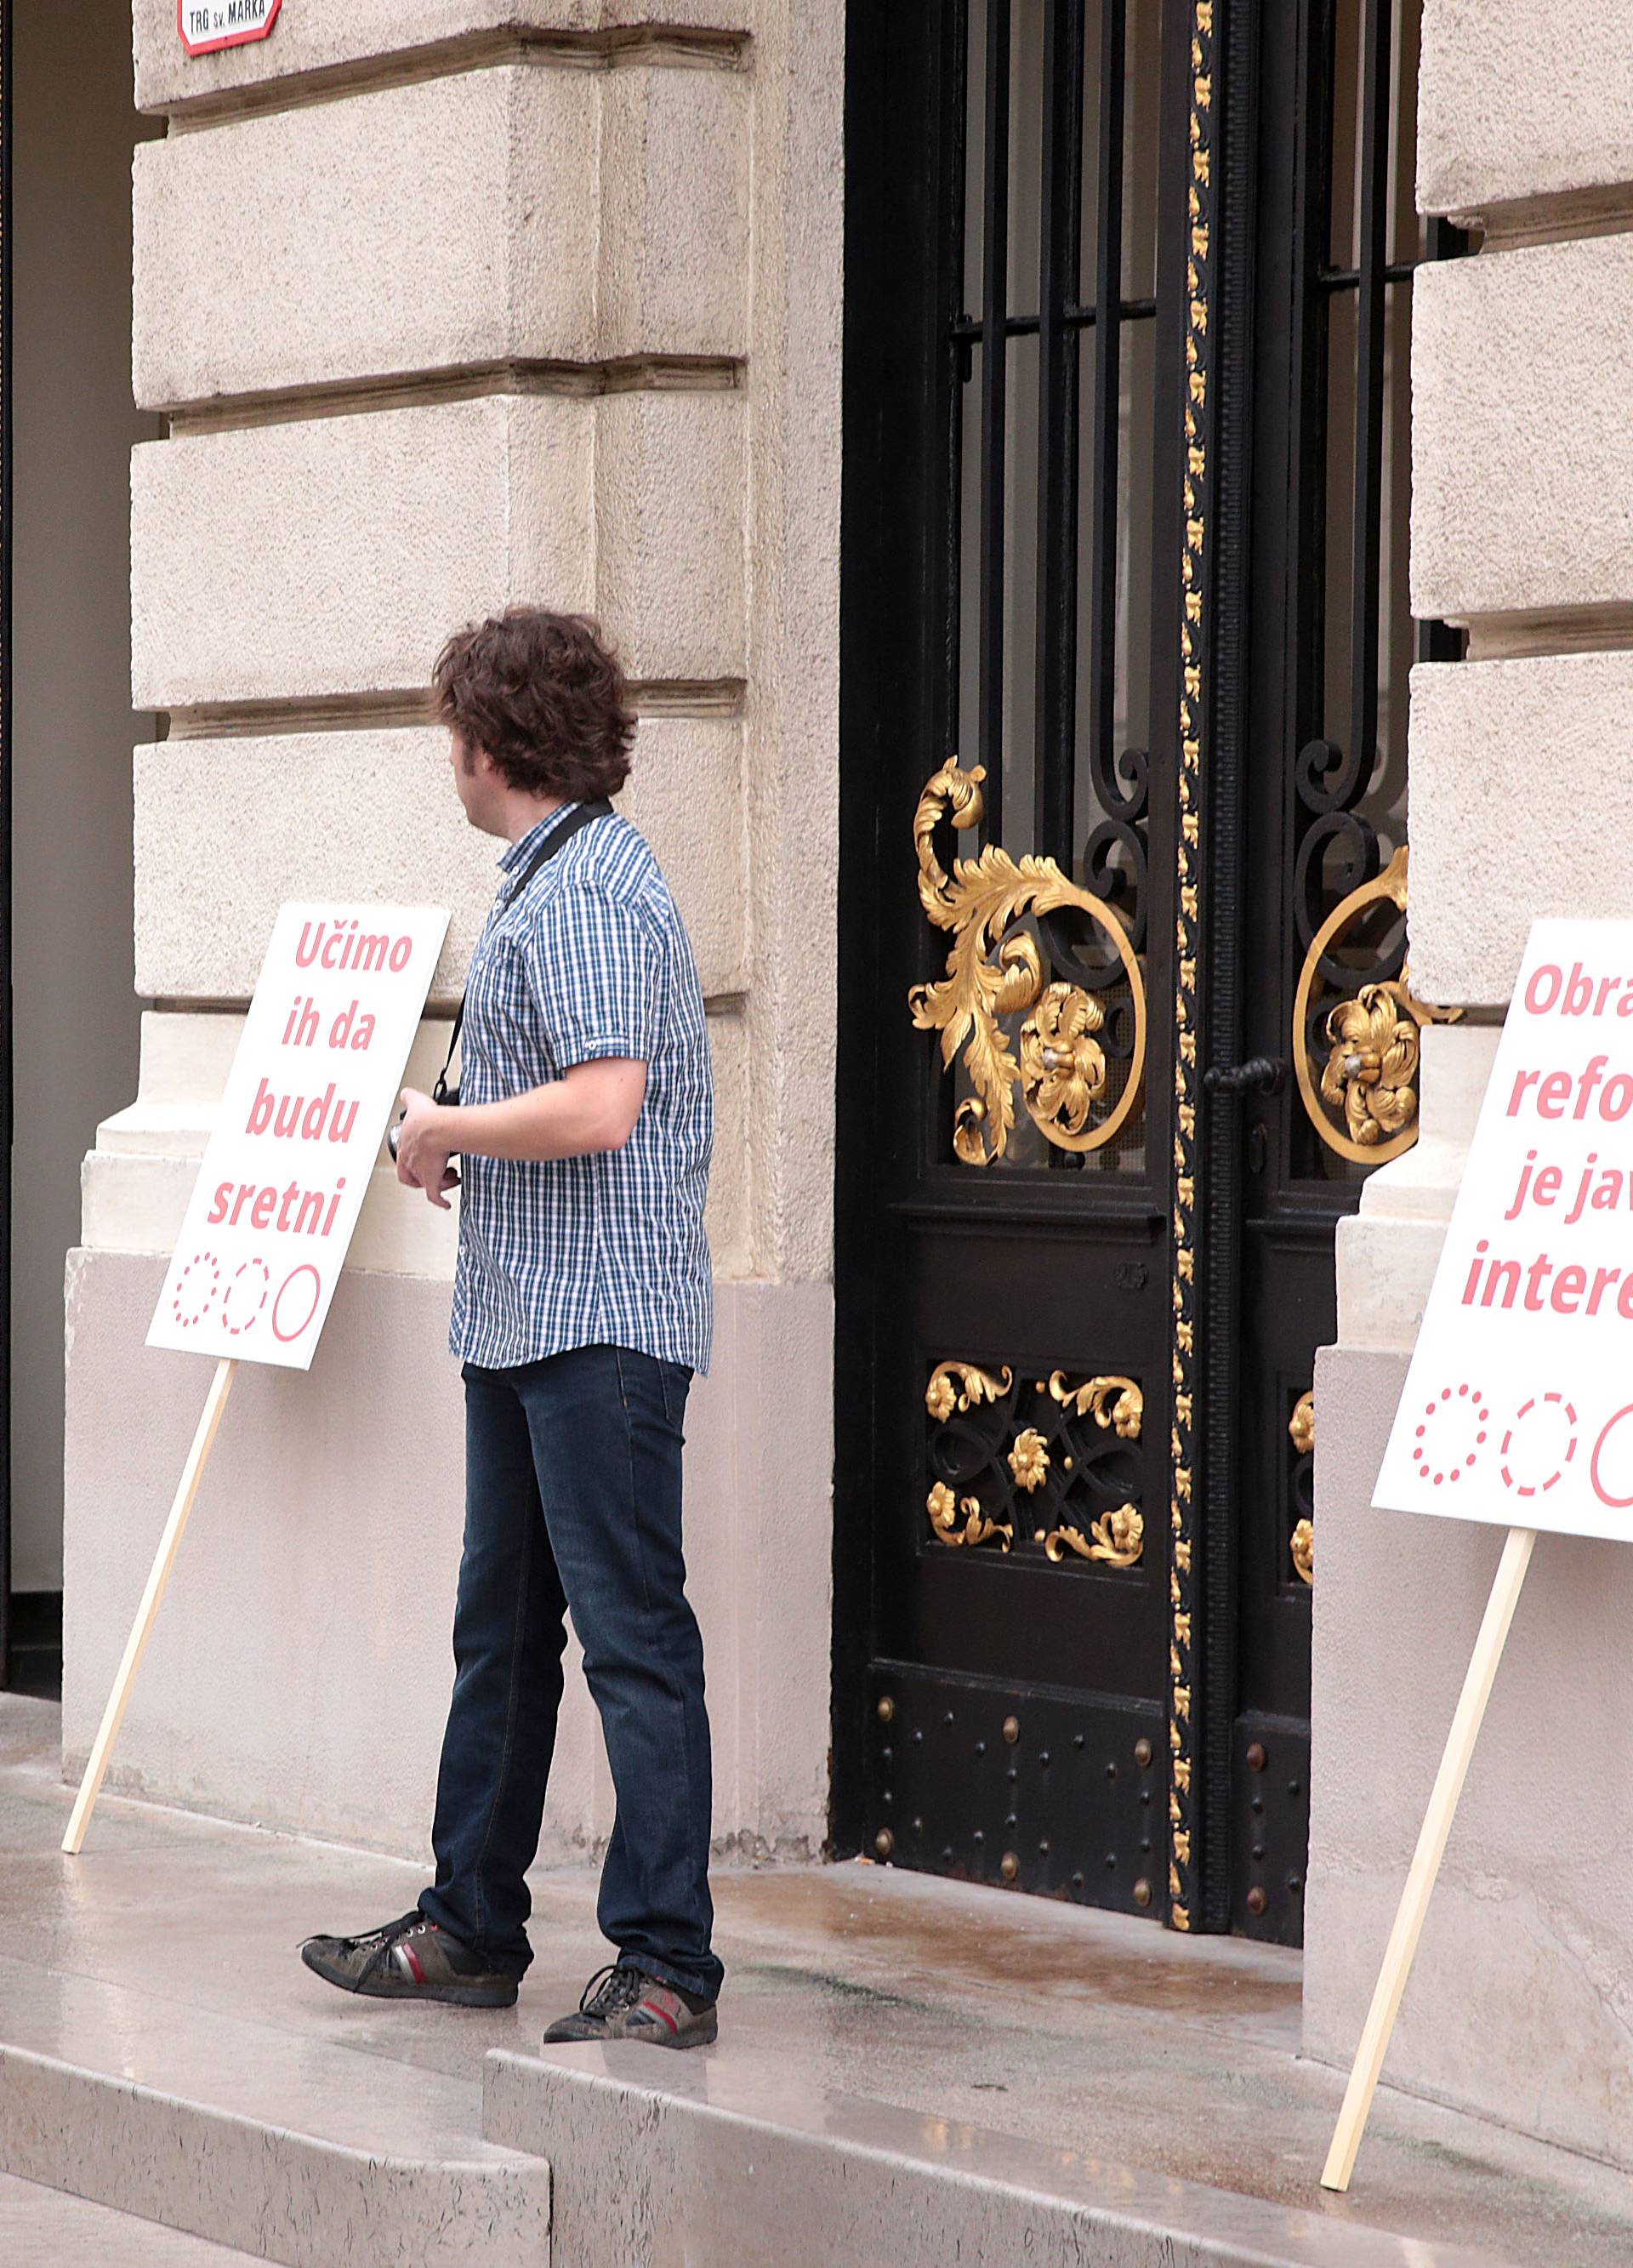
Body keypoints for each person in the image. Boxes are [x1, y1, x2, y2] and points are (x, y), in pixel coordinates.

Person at [300, 607, 721, 2049]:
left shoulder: (588, 889)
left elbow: (608, 1102)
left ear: (492, 742)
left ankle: (668, 1966)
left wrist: (444, 1119)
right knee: (505, 1637)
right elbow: (583, 1112)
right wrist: (463, 1150)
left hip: (598, 1332)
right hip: (536, 1320)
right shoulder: (552, 877)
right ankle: (470, 1923)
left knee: (631, 1645)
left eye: (452, 734)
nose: (449, 758)